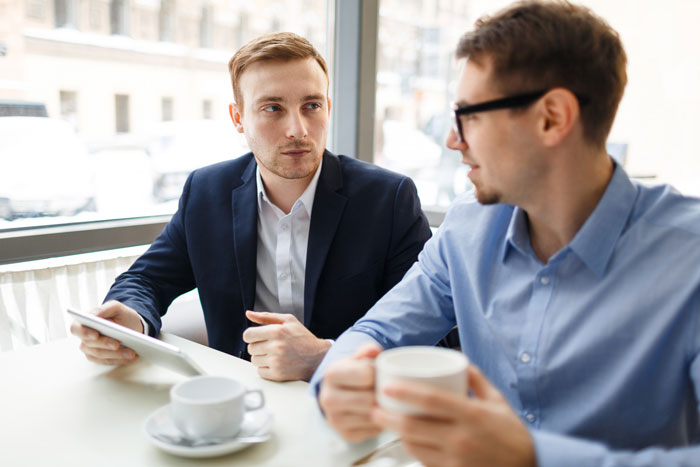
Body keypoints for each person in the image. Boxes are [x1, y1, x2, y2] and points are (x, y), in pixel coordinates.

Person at [312, 1, 700, 465]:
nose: (452, 140)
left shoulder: (689, 257)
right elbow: (376, 331)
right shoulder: (468, 227)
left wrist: (533, 455)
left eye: (469, 115)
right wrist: (337, 379)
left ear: (552, 118)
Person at [70, 32, 431, 382]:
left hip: (350, 401)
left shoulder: (388, 199)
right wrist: (130, 318)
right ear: (238, 117)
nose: (298, 129)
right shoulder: (207, 192)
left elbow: (429, 328)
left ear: (328, 107)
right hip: (239, 401)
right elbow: (146, 279)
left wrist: (326, 356)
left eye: (312, 106)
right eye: (273, 108)